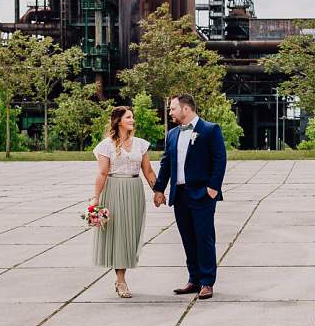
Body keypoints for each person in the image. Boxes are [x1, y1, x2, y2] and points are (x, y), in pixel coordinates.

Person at [153, 93, 227, 300]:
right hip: (180, 195)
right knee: (188, 238)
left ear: (186, 109)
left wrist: (212, 189)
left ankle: (206, 282)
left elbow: (220, 160)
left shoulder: (210, 130)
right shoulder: (173, 134)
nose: (170, 112)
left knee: (204, 238)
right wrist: (159, 189)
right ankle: (193, 279)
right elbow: (166, 163)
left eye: (172, 108)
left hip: (202, 194)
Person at [91, 105, 156, 298]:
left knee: (131, 234)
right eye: (128, 117)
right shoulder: (105, 146)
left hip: (134, 190)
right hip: (114, 190)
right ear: (119, 121)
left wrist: (158, 191)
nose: (132, 120)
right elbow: (102, 173)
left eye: (132, 117)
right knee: (119, 235)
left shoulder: (141, 144)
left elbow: (149, 171)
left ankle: (121, 277)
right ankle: (121, 280)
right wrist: (95, 198)